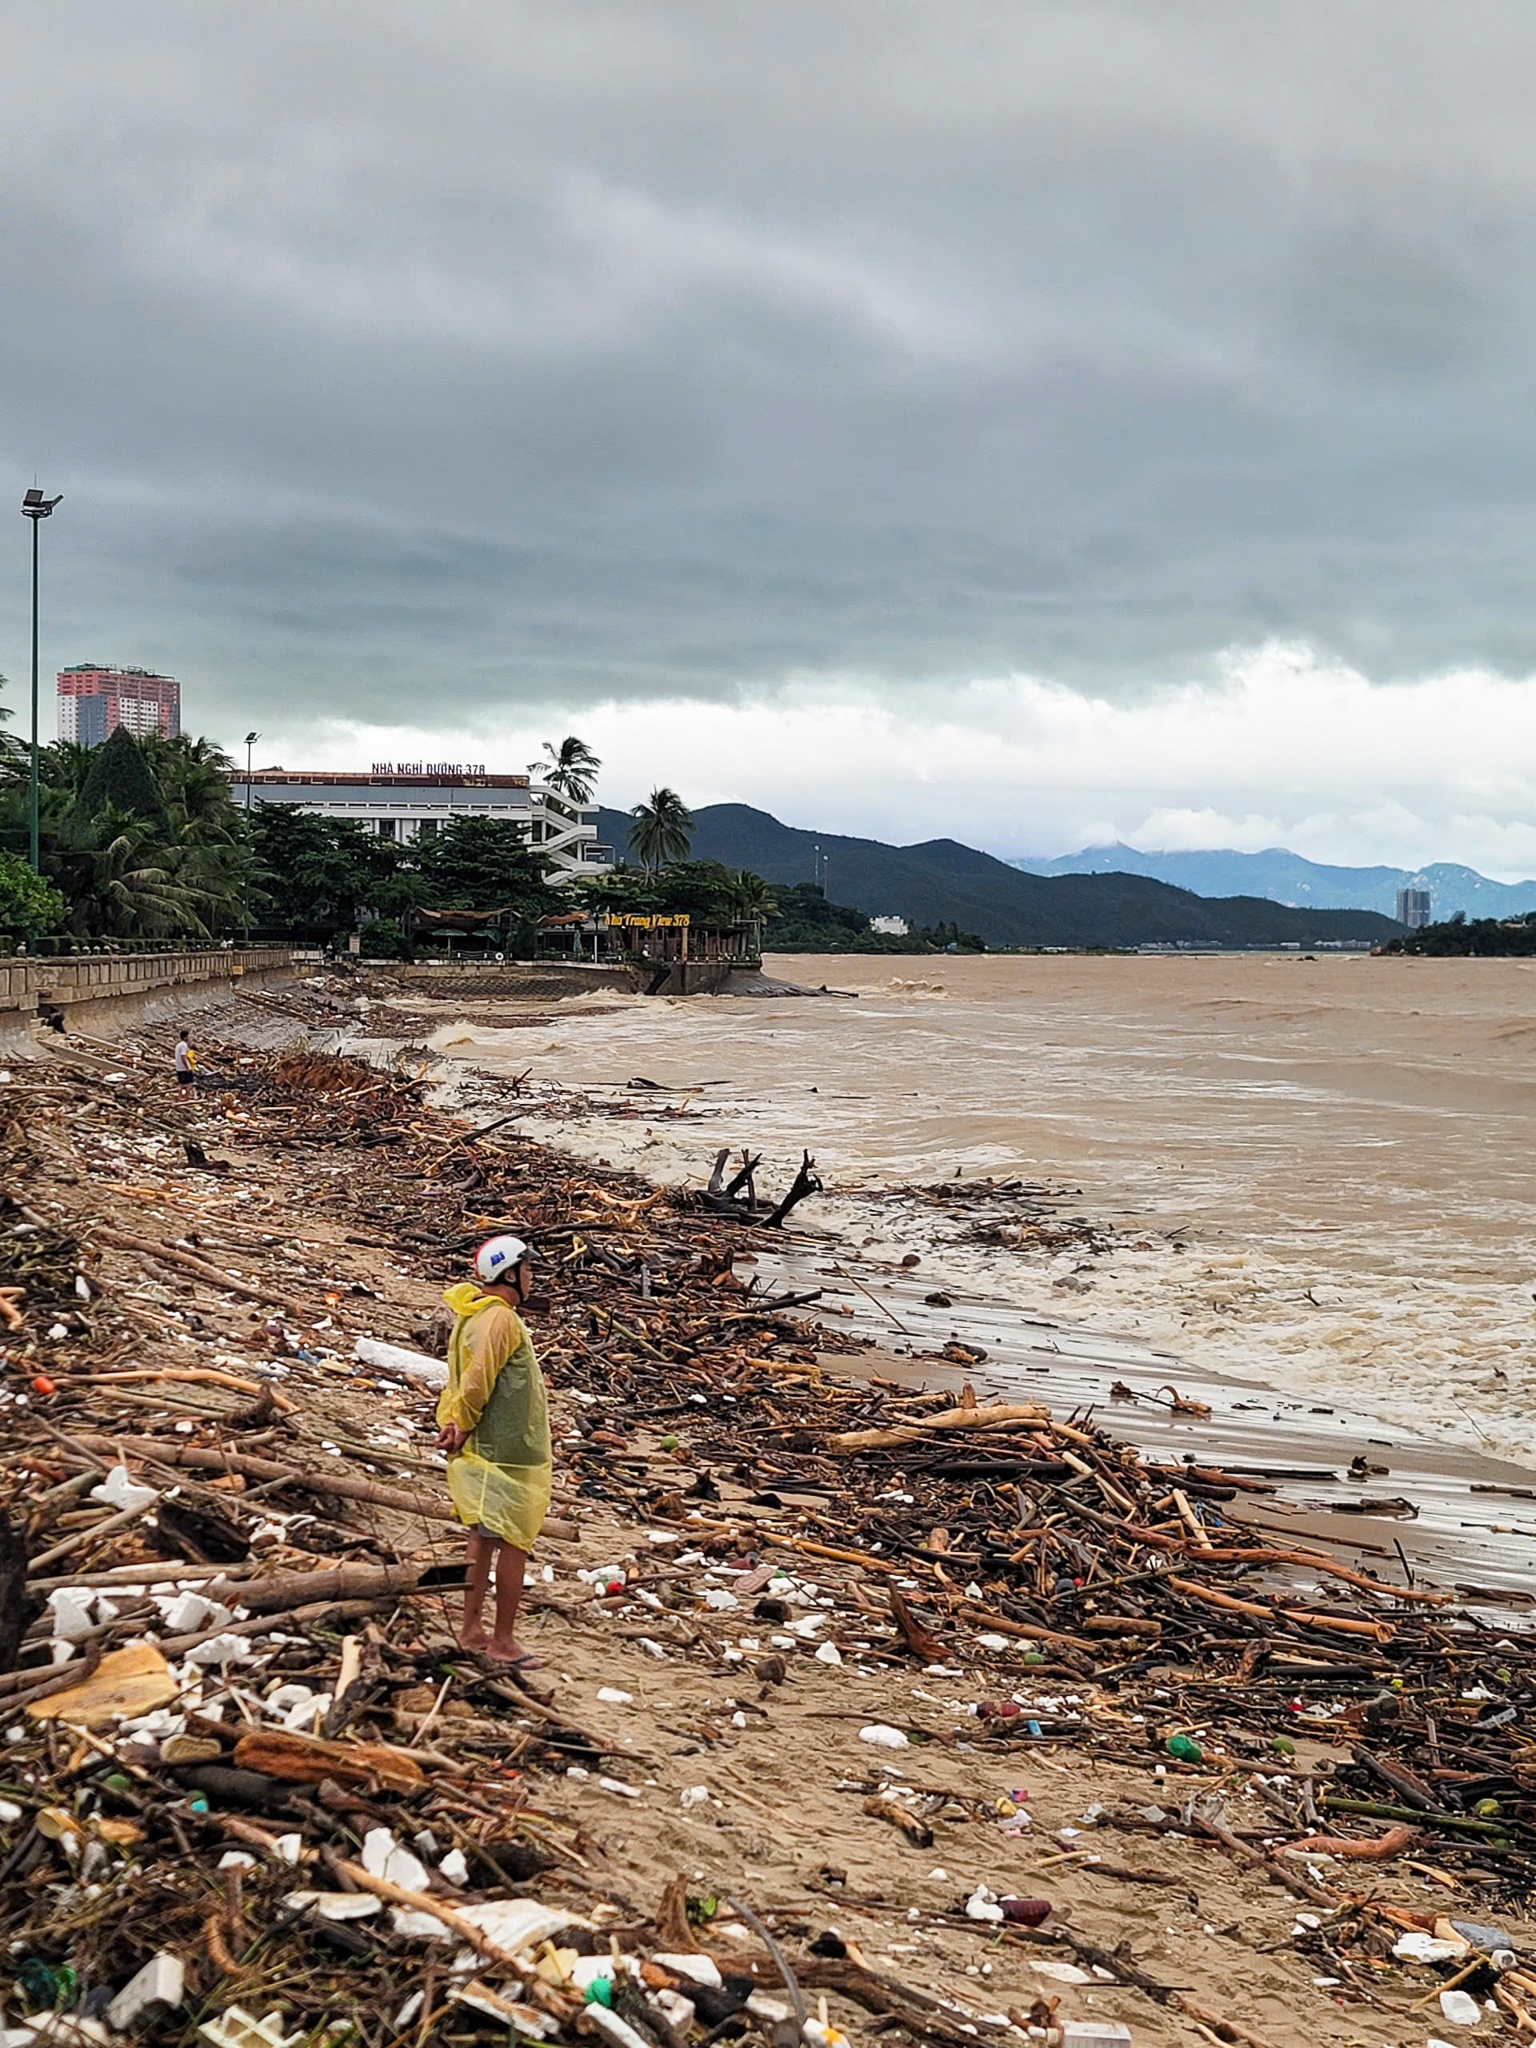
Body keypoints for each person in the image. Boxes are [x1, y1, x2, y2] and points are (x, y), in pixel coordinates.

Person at [435, 1234, 552, 1665]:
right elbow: (478, 1378)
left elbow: (463, 1378)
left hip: (488, 1448)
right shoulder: (500, 1319)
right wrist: (461, 1425)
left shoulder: (475, 1315)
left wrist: (456, 1423)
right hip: (507, 1454)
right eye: (527, 1269)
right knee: (513, 1543)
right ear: (509, 1274)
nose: (532, 1277)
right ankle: (503, 1640)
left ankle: (471, 1630)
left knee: (481, 1540)